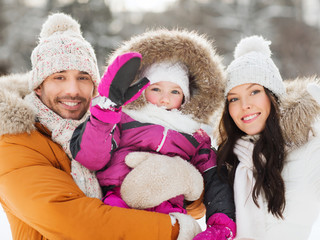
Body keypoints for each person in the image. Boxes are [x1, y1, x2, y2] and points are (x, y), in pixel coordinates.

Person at [0, 13, 196, 240]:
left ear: (95, 86)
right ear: (38, 86)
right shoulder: (14, 141)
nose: (72, 90)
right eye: (59, 77)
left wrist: (179, 176)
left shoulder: (110, 128)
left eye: (83, 78)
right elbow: (73, 220)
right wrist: (173, 229)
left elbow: (192, 205)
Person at [70, 29, 236, 239]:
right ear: (142, 89)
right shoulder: (123, 118)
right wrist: (106, 113)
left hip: (168, 211)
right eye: (156, 89)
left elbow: (215, 180)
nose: (165, 99)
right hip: (119, 201)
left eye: (174, 91)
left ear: (185, 97)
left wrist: (222, 223)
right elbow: (91, 158)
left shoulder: (194, 135)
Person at [216, 35, 320, 240]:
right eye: (234, 98)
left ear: (273, 96)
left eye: (254, 91)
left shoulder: (309, 153)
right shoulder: (228, 159)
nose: (244, 105)